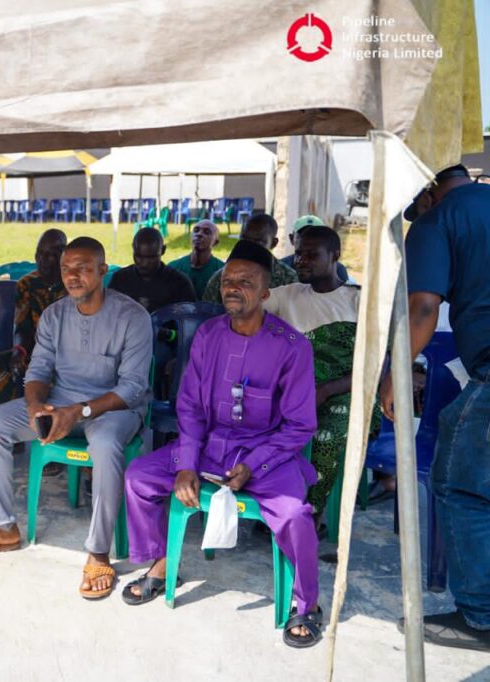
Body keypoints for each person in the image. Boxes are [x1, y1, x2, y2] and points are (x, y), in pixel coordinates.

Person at [122, 239, 321, 648]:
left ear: (265, 293)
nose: (233, 287)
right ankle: (161, 564)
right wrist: (186, 464)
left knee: (294, 515)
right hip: (209, 448)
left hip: (268, 456)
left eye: (245, 282)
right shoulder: (208, 335)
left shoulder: (292, 347)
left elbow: (300, 426)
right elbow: (190, 406)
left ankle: (307, 603)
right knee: (139, 476)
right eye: (229, 279)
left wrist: (255, 464)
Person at [0, 237, 152, 601]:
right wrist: (35, 408)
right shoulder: (54, 314)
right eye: (66, 269)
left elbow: (133, 387)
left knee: (105, 443)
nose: (72, 276)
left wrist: (80, 410)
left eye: (83, 268)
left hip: (114, 409)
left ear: (103, 271)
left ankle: (98, 552)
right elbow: (39, 370)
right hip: (61, 404)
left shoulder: (132, 317)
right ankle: (2, 527)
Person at [380, 164, 490, 652]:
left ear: (428, 191)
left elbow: (423, 308)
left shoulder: (438, 219)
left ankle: (480, 616)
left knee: (456, 483)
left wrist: (395, 373)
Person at [263, 225, 375, 520]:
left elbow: (376, 364)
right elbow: (247, 305)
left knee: (325, 438)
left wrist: (325, 390)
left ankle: (307, 516)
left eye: (312, 255)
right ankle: (274, 504)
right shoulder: (287, 296)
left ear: (335, 255)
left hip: (348, 393)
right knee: (256, 425)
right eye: (299, 253)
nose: (301, 261)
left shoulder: (358, 301)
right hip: (294, 393)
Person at [0, 228, 68, 405]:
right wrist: (19, 352)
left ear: (63, 255)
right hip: (34, 350)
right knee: (0, 365)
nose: (42, 260)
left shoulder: (73, 284)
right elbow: (22, 327)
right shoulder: (27, 284)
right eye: (39, 253)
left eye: (50, 254)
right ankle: (11, 413)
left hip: (67, 353)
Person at [201, 213, 298, 303]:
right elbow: (207, 312)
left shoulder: (288, 280)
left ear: (273, 243)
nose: (249, 246)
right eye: (245, 239)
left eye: (258, 242)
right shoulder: (221, 278)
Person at [108, 227, 195, 313]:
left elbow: (189, 318)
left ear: (163, 250)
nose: (144, 263)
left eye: (151, 257)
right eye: (139, 256)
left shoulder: (180, 283)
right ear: (133, 249)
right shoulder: (120, 279)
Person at [280, 215, 349, 282]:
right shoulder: (281, 267)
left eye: (315, 235)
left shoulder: (338, 270)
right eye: (303, 235)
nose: (308, 240)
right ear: (292, 238)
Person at [168, 219, 225, 300]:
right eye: (196, 230)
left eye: (207, 232)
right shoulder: (173, 267)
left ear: (215, 242)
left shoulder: (222, 271)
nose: (199, 234)